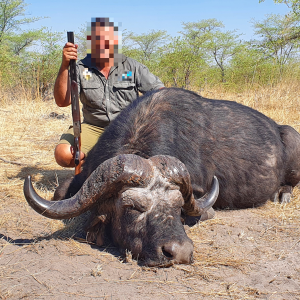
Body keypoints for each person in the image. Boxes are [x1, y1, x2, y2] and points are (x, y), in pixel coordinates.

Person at [54, 17, 164, 168]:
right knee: (64, 154)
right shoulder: (80, 68)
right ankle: (92, 167)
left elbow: (160, 93)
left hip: (129, 127)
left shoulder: (131, 66)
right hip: (94, 126)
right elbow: (62, 101)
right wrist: (65, 65)